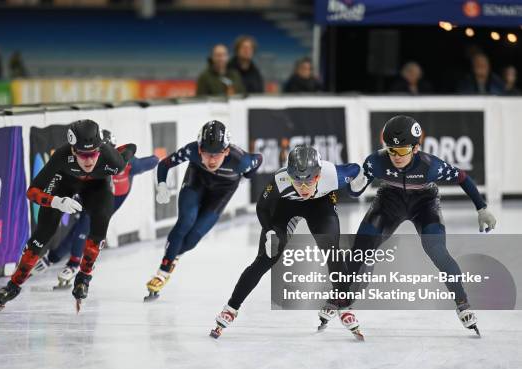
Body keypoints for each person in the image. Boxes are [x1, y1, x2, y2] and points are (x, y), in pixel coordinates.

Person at [341, 115, 496, 335]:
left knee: (437, 250)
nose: (396, 157)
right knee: (362, 248)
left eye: (402, 151)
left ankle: (462, 302)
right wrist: (352, 183)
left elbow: (462, 177)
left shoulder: (430, 166)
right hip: (389, 202)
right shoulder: (375, 161)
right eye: (391, 150)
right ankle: (341, 299)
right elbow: (355, 191)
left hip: (424, 204)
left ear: (415, 148)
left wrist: (482, 207)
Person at [210, 145, 364, 340]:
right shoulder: (280, 179)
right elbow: (262, 208)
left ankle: (344, 304)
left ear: (318, 175)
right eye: (298, 182)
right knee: (266, 258)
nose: (304, 188)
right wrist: (269, 231)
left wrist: (356, 186)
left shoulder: (333, 174)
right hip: (286, 208)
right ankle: (231, 308)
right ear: (290, 177)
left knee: (332, 251)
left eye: (309, 181)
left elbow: (357, 169)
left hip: (320, 207)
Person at [0, 120, 136, 313]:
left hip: (97, 186)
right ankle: (13, 286)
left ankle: (83, 278)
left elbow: (131, 148)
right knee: (42, 235)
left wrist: (113, 150)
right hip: (65, 184)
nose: (90, 161)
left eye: (94, 153)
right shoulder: (62, 156)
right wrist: (56, 201)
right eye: (84, 155)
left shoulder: (112, 161)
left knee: (101, 220)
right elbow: (31, 192)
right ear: (73, 151)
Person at [145, 120, 262, 301]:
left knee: (193, 237)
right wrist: (161, 185)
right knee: (185, 222)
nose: (212, 160)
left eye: (217, 154)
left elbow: (258, 160)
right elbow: (164, 164)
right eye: (207, 154)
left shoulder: (241, 160)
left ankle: (175, 256)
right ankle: (163, 272)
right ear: (199, 150)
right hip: (197, 181)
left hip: (222, 191)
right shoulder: (191, 150)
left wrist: (247, 176)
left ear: (227, 151)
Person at [34, 140, 159, 288]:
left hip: (113, 200)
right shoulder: (89, 164)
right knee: (81, 227)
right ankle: (54, 258)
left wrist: (159, 162)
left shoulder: (130, 164)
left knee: (85, 223)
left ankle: (72, 264)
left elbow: (153, 161)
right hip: (96, 195)